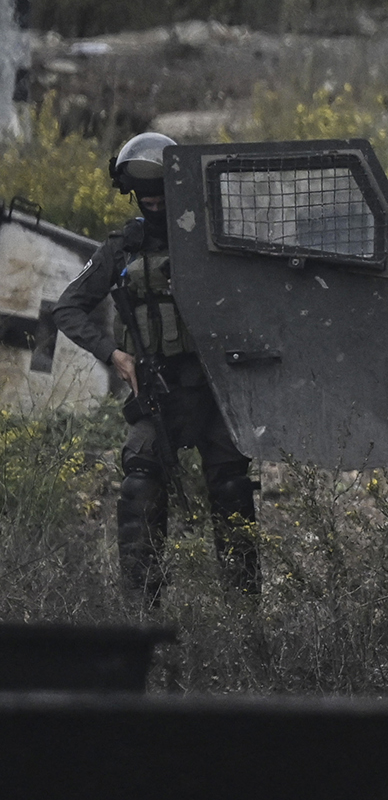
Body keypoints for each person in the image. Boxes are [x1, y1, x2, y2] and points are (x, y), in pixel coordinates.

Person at [51, 132, 258, 598]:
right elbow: (67, 308)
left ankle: (243, 610)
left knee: (231, 486)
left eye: (161, 196)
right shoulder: (123, 247)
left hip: (215, 390)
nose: (155, 205)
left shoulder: (209, 236)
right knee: (140, 482)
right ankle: (142, 611)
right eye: (146, 199)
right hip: (157, 390)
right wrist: (114, 354)